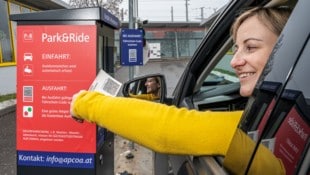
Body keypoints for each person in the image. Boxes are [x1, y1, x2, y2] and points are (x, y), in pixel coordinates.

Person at [70, 7, 291, 174]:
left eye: (250, 47)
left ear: (291, 50)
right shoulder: (282, 114)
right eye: (235, 49)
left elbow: (165, 126)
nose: (234, 61)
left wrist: (85, 103)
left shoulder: (262, 127)